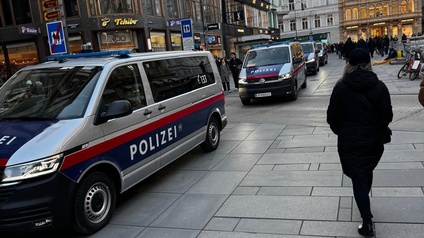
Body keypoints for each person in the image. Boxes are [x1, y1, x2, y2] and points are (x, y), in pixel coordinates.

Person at [327, 48, 393, 237]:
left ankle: (367, 222)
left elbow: (332, 117)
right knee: (366, 171)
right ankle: (364, 200)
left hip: (350, 140)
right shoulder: (379, 87)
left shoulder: (341, 86)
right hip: (373, 140)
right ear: (368, 64)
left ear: (349, 64)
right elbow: (387, 116)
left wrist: (342, 131)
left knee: (358, 177)